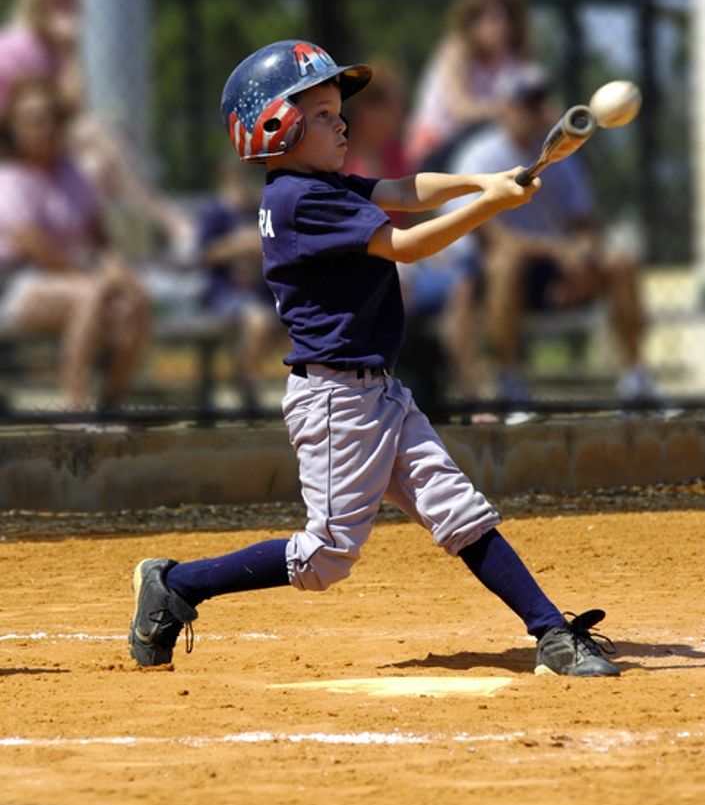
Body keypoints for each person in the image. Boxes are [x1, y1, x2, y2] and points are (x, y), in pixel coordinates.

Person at [127, 39, 620, 678]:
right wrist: (490, 206)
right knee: (324, 557)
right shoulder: (297, 199)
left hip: (377, 391)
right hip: (337, 403)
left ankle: (552, 633)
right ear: (280, 125)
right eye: (326, 114)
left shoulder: (320, 184)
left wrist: (481, 180)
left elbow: (403, 189)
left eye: (339, 112)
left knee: (458, 512)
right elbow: (406, 244)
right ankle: (178, 585)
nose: (342, 123)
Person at [439, 63, 656, 405]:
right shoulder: (480, 154)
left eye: (539, 101)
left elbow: (585, 224)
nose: (535, 111)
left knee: (620, 261)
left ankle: (636, 379)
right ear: (504, 108)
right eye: (526, 102)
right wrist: (559, 251)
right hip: (493, 278)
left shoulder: (562, 155)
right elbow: (491, 237)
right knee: (506, 262)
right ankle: (507, 382)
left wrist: (583, 256)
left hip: (556, 271)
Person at [0, 0, 191, 256]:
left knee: (97, 167)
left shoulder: (55, 48)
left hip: (51, 147)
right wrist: (68, 49)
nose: (68, 3)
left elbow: (71, 110)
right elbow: (61, 115)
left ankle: (96, 257)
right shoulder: (17, 47)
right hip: (16, 149)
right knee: (97, 130)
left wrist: (69, 50)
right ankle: (168, 220)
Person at [0, 76, 150, 410]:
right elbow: (31, 244)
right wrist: (95, 279)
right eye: (36, 119)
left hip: (73, 276)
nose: (47, 126)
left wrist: (115, 269)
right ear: (16, 127)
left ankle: (111, 405)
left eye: (53, 116)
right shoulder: (10, 176)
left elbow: (98, 235)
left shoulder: (71, 172)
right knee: (92, 295)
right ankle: (75, 410)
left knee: (135, 301)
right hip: (15, 283)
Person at [406, 0, 532, 169]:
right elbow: (461, 110)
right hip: (437, 148)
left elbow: (539, 104)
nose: (501, 27)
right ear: (473, 21)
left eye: (507, 18)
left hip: (482, 147)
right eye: (493, 18)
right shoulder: (455, 51)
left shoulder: (513, 58)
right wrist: (505, 111)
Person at [195, 158, 285, 408]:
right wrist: (238, 245)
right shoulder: (215, 212)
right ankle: (248, 385)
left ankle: (244, 379)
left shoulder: (260, 210)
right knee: (259, 321)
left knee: (270, 320)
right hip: (225, 293)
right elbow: (204, 254)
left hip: (261, 293)